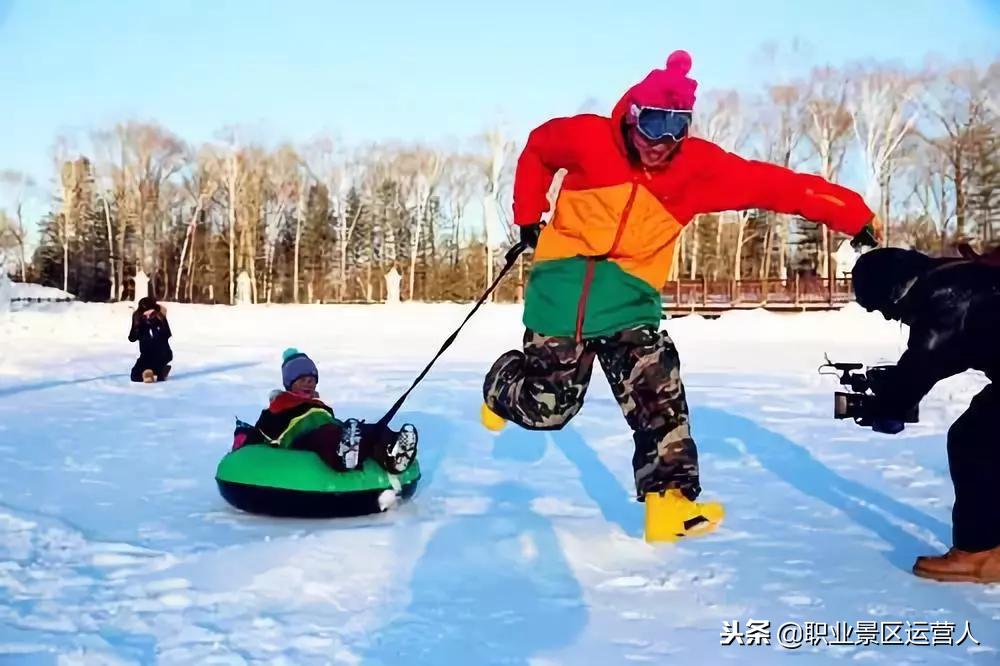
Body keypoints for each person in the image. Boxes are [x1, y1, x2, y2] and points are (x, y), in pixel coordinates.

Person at [481, 50, 882, 542]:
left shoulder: (695, 170)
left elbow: (776, 186)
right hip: (561, 294)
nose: (662, 141)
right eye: (653, 124)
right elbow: (539, 148)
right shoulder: (588, 138)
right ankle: (503, 384)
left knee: (658, 389)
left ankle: (669, 502)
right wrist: (528, 214)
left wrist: (853, 214)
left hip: (630, 299)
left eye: (677, 127)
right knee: (550, 409)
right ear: (632, 116)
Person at [852, 247, 1000, 583]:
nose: (891, 318)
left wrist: (886, 406)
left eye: (884, 308)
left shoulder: (942, 299)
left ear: (894, 289)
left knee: (973, 440)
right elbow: (949, 353)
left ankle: (978, 555)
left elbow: (923, 364)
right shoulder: (956, 277)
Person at [233, 349, 419, 475]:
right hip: (303, 438)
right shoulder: (280, 403)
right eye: (302, 379)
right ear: (290, 384)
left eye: (312, 379)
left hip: (331, 430)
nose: (309, 383)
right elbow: (262, 430)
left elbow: (332, 422)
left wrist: (351, 431)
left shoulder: (319, 405)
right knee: (326, 437)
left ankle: (394, 455)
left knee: (372, 430)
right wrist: (244, 438)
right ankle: (342, 457)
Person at [128, 296, 173, 382]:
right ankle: (157, 373)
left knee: (154, 371)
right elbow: (132, 338)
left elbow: (166, 334)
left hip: (162, 354)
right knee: (135, 376)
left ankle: (158, 372)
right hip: (146, 355)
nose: (148, 316)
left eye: (151, 314)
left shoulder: (160, 319)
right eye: (145, 315)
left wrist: (155, 324)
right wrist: (136, 327)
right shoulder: (140, 322)